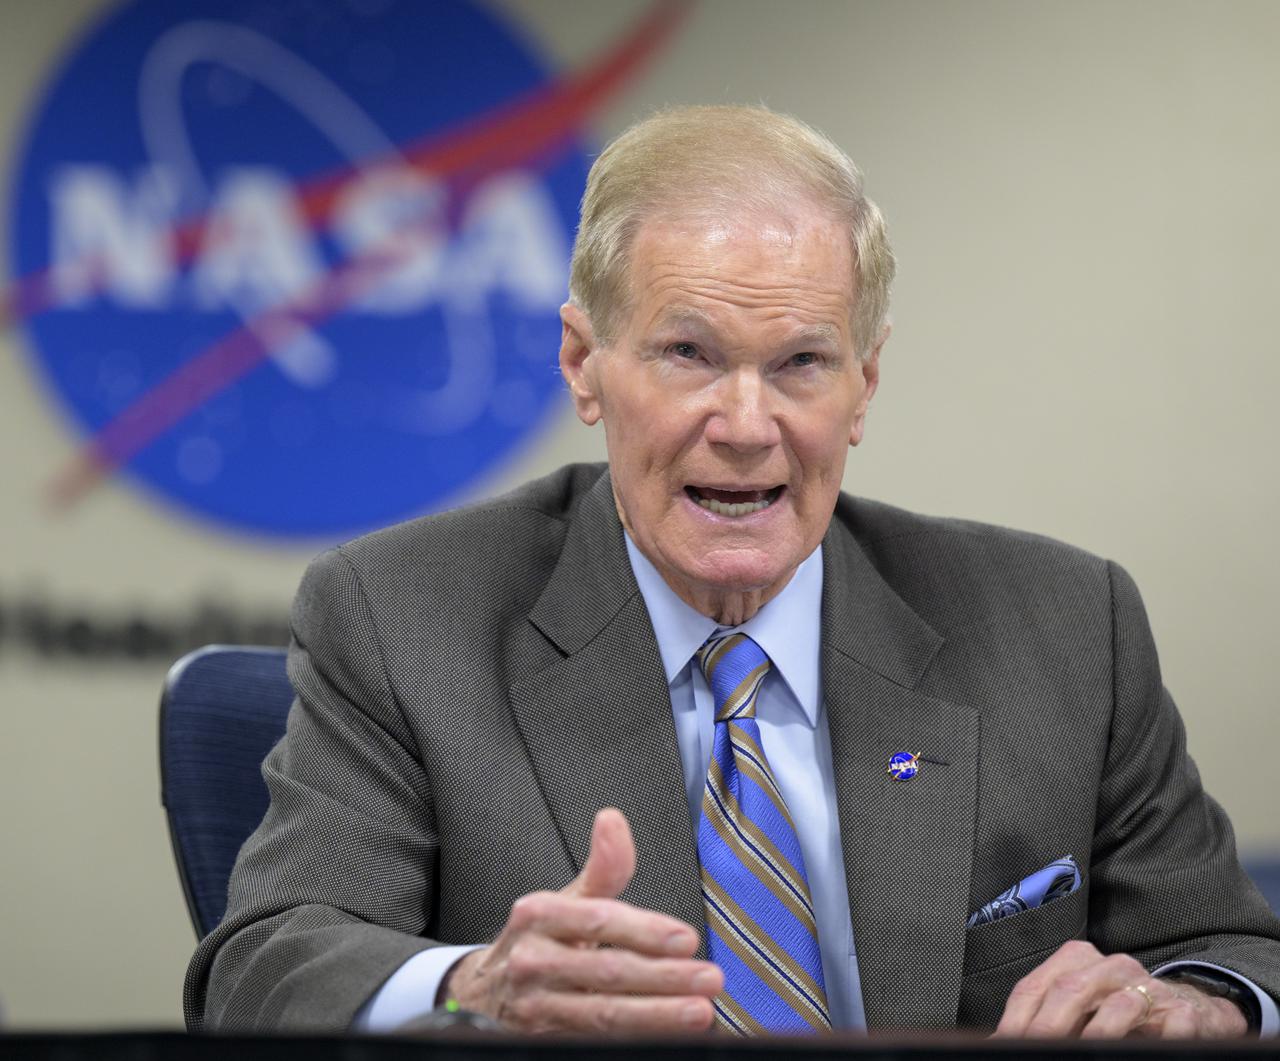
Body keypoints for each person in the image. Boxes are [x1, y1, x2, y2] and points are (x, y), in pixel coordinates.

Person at [186, 104, 1280, 1038]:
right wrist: (473, 984)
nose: (746, 427)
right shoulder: (402, 617)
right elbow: (265, 962)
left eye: (800, 361)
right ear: (583, 364)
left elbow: (1228, 947)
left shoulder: (1060, 625)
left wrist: (1195, 1000)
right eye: (688, 353)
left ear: (863, 384)